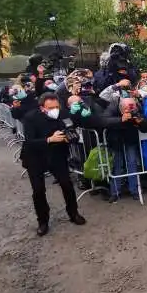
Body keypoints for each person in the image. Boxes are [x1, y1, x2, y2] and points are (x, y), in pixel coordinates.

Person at [20, 93, 87, 236]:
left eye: (56, 106)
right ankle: (43, 221)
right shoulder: (30, 117)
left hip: (57, 155)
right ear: (42, 108)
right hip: (35, 157)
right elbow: (29, 141)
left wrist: (70, 138)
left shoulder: (63, 113)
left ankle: (73, 213)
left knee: (67, 184)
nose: (54, 110)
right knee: (38, 190)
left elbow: (71, 130)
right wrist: (49, 139)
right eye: (50, 108)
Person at [106, 97, 147, 203]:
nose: (130, 110)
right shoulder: (113, 108)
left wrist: (140, 122)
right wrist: (120, 120)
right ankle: (115, 192)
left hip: (130, 141)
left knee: (132, 163)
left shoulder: (136, 109)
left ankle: (134, 190)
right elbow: (104, 121)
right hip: (116, 141)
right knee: (117, 165)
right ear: (121, 108)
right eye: (127, 108)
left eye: (132, 107)